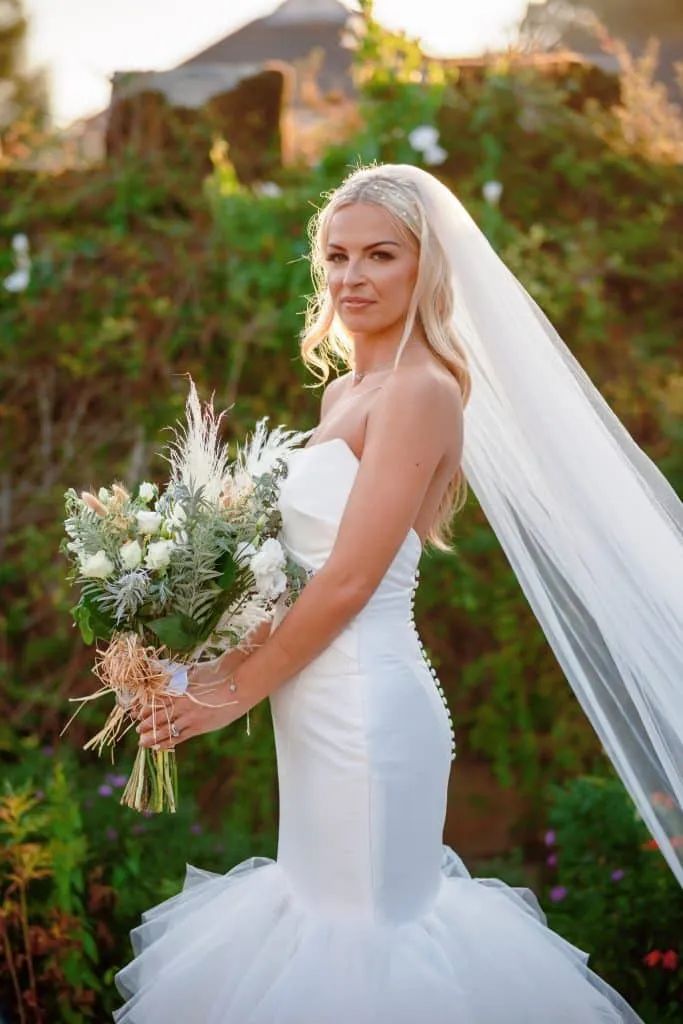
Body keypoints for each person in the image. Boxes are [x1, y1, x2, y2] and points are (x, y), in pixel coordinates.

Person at [113, 163, 683, 1022]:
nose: (352, 277)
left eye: (380, 255)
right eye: (336, 256)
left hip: (369, 718)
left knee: (365, 957)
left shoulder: (420, 392)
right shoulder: (346, 391)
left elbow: (348, 582)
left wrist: (233, 696)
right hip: (312, 714)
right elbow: (292, 579)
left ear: (427, 268)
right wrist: (195, 667)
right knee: (318, 935)